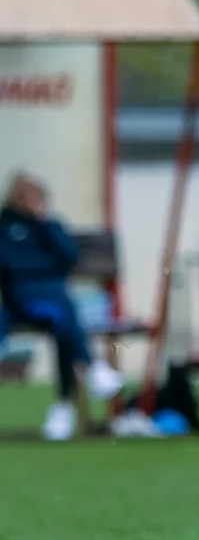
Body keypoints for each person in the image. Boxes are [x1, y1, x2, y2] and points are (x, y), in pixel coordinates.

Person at [0, 173, 123, 440]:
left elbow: (69, 257)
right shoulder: (5, 226)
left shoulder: (49, 226)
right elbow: (9, 266)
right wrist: (41, 268)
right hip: (20, 301)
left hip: (51, 305)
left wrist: (46, 225)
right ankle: (90, 369)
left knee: (63, 321)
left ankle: (63, 409)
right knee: (65, 306)